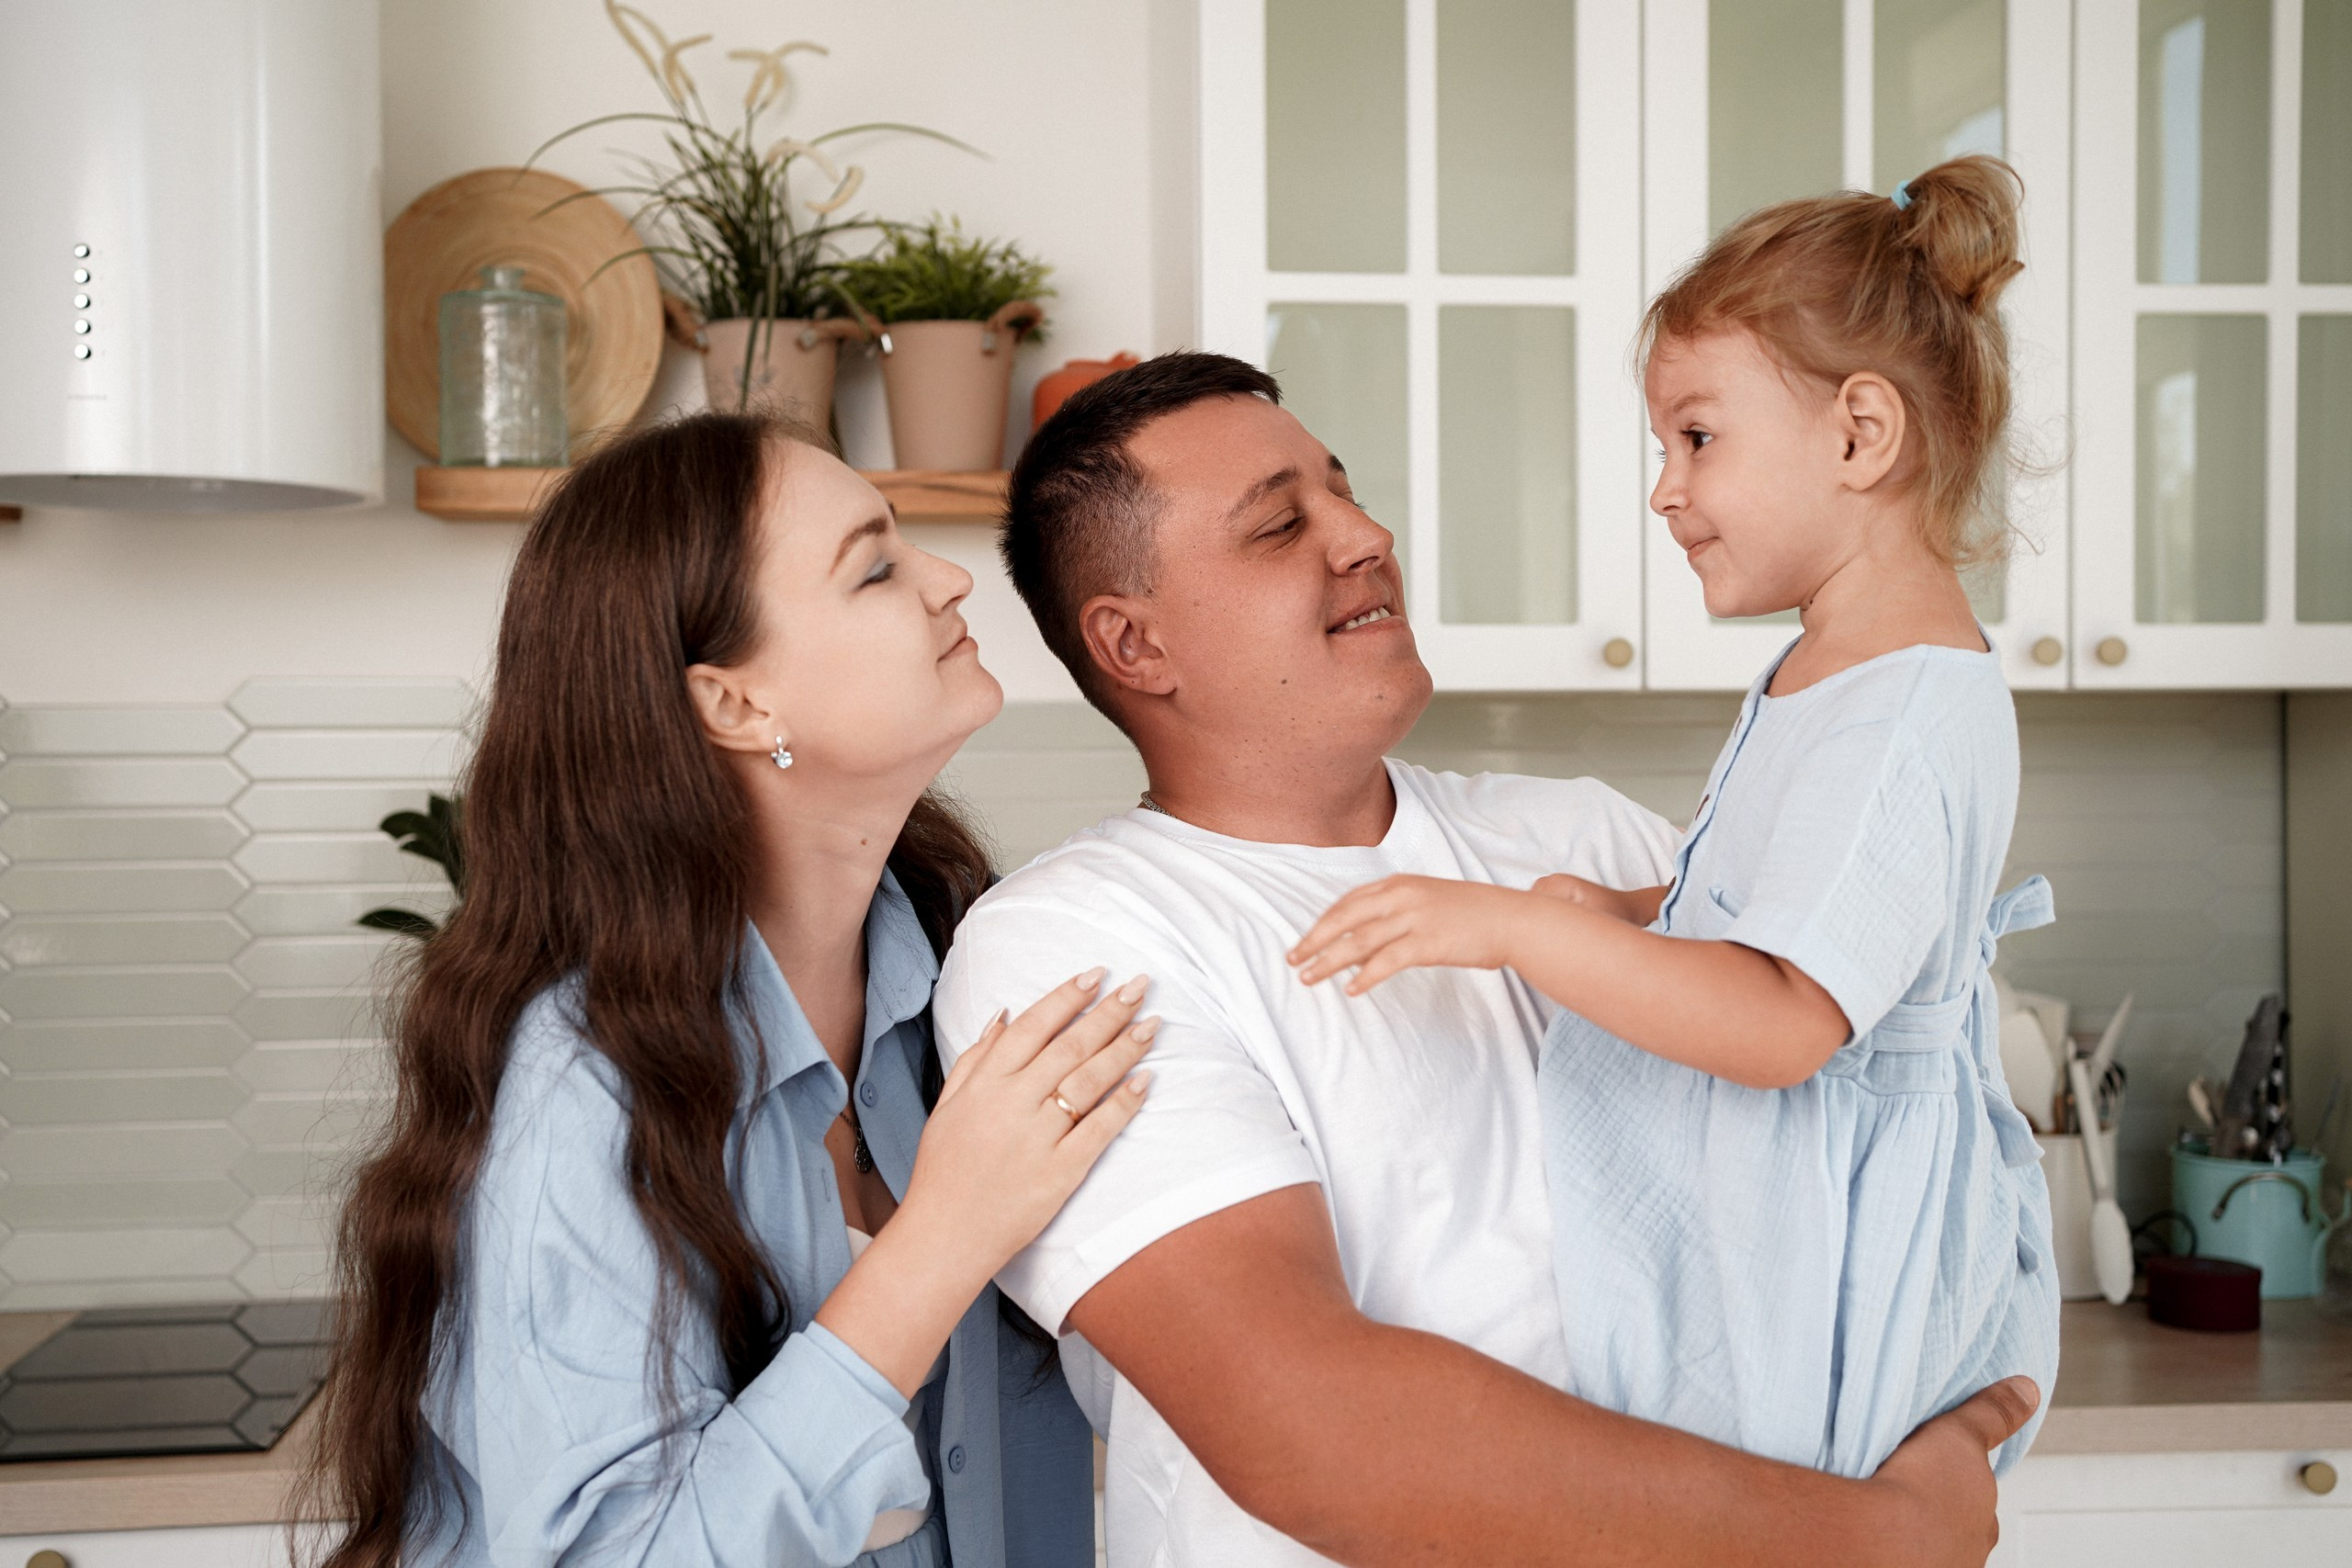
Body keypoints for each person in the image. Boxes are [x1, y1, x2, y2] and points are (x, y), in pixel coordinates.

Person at [932, 349, 2040, 1568]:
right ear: (1135, 645)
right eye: (1280, 526)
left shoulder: (1587, 842)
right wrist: (1875, 1538)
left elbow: (1876, 1144)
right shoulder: (1077, 949)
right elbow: (1314, 1431)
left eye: (1344, 489)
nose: (1365, 534)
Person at [1289, 155, 2061, 1480]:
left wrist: (1517, 932)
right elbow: (1803, 903)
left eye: (1697, 437)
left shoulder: (1895, 713)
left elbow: (1782, 1021)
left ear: (1860, 435)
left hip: (1838, 1263)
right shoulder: (1843, 671)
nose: (1665, 488)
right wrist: (1639, 909)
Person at [304, 411, 1153, 1568]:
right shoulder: (585, 1087)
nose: (951, 579)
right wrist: (946, 1236)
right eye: (875, 568)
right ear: (737, 706)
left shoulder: (970, 976)